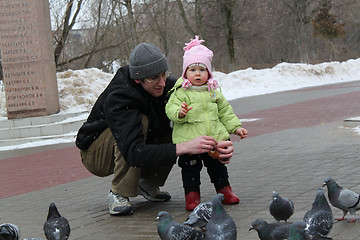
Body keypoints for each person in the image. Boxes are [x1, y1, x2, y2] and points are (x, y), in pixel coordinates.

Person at [75, 42, 235, 216]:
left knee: (175, 120)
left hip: (132, 143)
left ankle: (147, 182)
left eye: (164, 74)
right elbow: (133, 152)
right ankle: (119, 193)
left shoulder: (169, 86)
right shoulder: (119, 96)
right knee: (140, 123)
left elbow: (203, 113)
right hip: (95, 153)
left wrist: (221, 143)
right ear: (138, 79)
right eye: (154, 78)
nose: (162, 82)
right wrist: (185, 147)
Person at [165, 36, 248, 211]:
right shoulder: (180, 93)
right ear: (185, 72)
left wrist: (236, 127)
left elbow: (226, 112)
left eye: (202, 69)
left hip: (213, 140)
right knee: (190, 170)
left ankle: (224, 190)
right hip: (189, 142)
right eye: (192, 69)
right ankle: (192, 196)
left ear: (208, 73)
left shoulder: (214, 93)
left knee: (218, 168)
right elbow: (169, 109)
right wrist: (179, 113)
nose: (197, 73)